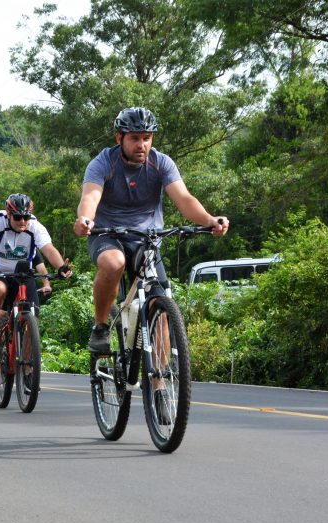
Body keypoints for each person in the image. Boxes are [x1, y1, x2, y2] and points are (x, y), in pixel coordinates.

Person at [73, 107, 229, 355]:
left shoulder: (161, 163)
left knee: (162, 307)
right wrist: (85, 219)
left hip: (147, 239)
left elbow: (184, 199)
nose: (141, 145)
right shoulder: (104, 162)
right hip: (107, 233)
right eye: (134, 138)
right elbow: (90, 197)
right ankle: (101, 326)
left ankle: (160, 378)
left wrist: (209, 220)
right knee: (114, 263)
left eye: (146, 138)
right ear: (119, 138)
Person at [0, 193, 72, 351]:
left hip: (22, 274)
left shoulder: (34, 226)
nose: (22, 221)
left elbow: (48, 249)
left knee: (33, 316)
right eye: (17, 217)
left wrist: (61, 267)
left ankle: (28, 364)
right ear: (8, 214)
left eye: (26, 217)